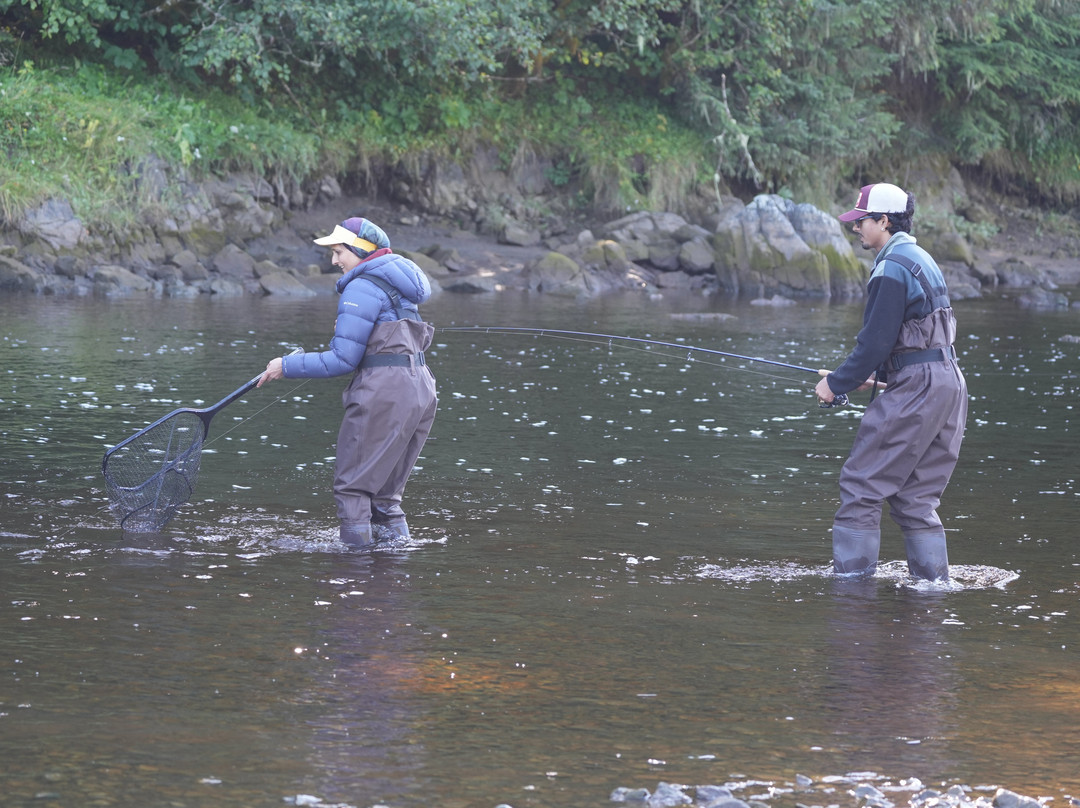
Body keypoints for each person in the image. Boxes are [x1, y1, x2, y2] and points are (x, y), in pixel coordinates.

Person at [815, 183, 967, 581]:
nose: (856, 229)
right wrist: (877, 377)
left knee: (861, 485)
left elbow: (875, 341)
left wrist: (838, 384)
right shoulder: (921, 258)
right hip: (948, 382)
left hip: (919, 385)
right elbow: (918, 337)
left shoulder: (891, 266)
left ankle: (850, 589)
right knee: (916, 498)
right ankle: (934, 589)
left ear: (884, 220)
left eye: (861, 221)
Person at [258, 216, 437, 548]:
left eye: (339, 251)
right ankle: (390, 583)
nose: (334, 260)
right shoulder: (398, 284)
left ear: (361, 250)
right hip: (421, 388)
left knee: (353, 489)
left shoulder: (361, 286)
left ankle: (353, 584)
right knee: (385, 496)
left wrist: (287, 365)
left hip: (385, 391)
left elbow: (343, 359)